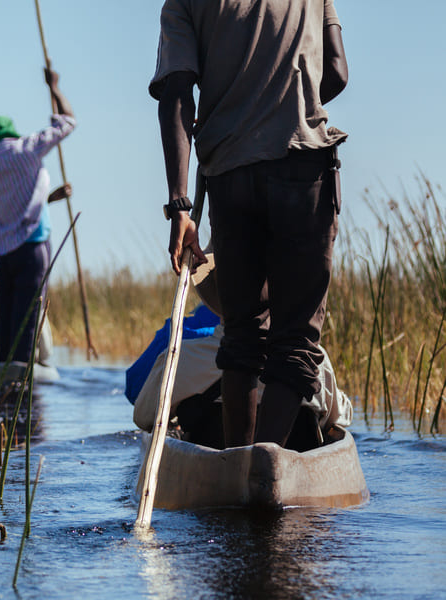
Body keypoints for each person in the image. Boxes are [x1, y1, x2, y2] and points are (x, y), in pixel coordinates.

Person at [150, 0, 349, 448]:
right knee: (294, 341)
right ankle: (266, 466)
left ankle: (242, 466)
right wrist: (281, 95)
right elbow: (336, 71)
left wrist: (180, 207)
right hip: (302, 164)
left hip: (229, 175)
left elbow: (176, 94)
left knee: (242, 337)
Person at [128, 253, 353, 452]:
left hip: (212, 473)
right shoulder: (314, 358)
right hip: (294, 469)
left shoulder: (180, 358)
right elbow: (339, 418)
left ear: (219, 295)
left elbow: (144, 417)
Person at [0, 68, 75, 363]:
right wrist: (55, 88)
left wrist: (51, 197)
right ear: (12, 133)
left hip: (4, 254)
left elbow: (14, 206)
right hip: (33, 249)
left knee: (5, 319)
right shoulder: (27, 149)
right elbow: (68, 123)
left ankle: (4, 388)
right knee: (27, 319)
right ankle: (22, 387)